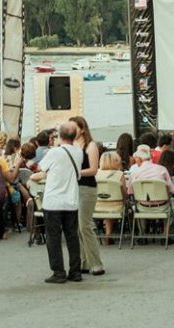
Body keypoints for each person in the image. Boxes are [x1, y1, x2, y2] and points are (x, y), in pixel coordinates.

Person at [30, 122, 83, 284]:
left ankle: (58, 271)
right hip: (71, 200)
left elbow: (41, 169)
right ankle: (75, 271)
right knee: (72, 236)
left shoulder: (54, 153)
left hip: (53, 201)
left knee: (53, 238)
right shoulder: (79, 152)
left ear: (60, 137)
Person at [70, 116, 104, 276]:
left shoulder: (91, 146)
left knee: (85, 226)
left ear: (82, 129)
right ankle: (84, 262)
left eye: (73, 127)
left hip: (87, 187)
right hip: (73, 188)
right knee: (77, 227)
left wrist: (74, 171)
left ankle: (96, 263)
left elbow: (93, 169)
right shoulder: (70, 145)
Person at [95, 151, 125, 245]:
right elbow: (124, 193)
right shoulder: (120, 174)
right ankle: (109, 234)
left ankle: (108, 233)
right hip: (116, 206)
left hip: (97, 206)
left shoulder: (95, 174)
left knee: (107, 204)